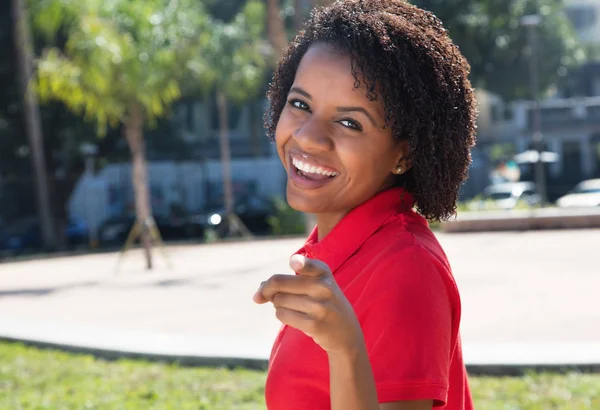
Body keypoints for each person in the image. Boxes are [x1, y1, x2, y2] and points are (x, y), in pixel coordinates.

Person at [253, 0, 477, 409]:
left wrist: (345, 349)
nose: (308, 137)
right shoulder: (337, 253)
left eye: (349, 122)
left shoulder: (406, 267)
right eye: (300, 104)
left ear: (402, 156)